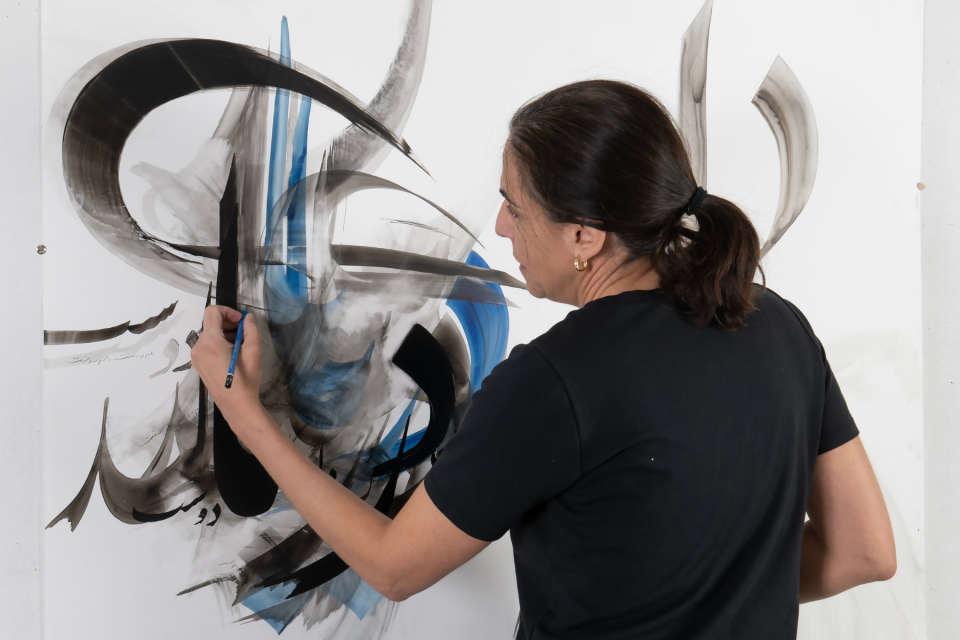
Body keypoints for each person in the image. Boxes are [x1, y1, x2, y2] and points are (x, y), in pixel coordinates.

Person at [191, 79, 896, 639]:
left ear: (585, 236)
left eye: (515, 206)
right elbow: (863, 551)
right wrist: (716, 596)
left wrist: (246, 414)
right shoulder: (779, 326)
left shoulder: (555, 382)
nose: (501, 227)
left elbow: (394, 567)